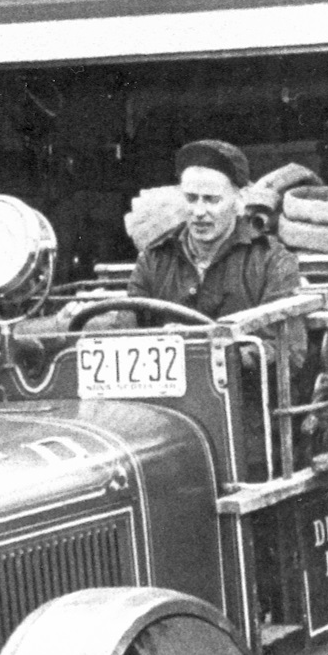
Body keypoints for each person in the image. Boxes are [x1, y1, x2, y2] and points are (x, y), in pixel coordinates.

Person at [129, 138, 305, 477]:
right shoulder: (154, 259)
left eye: (212, 200)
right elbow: (126, 329)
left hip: (248, 437)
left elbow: (290, 352)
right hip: (166, 436)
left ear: (240, 202)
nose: (199, 211)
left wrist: (205, 348)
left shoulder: (271, 262)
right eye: (191, 199)